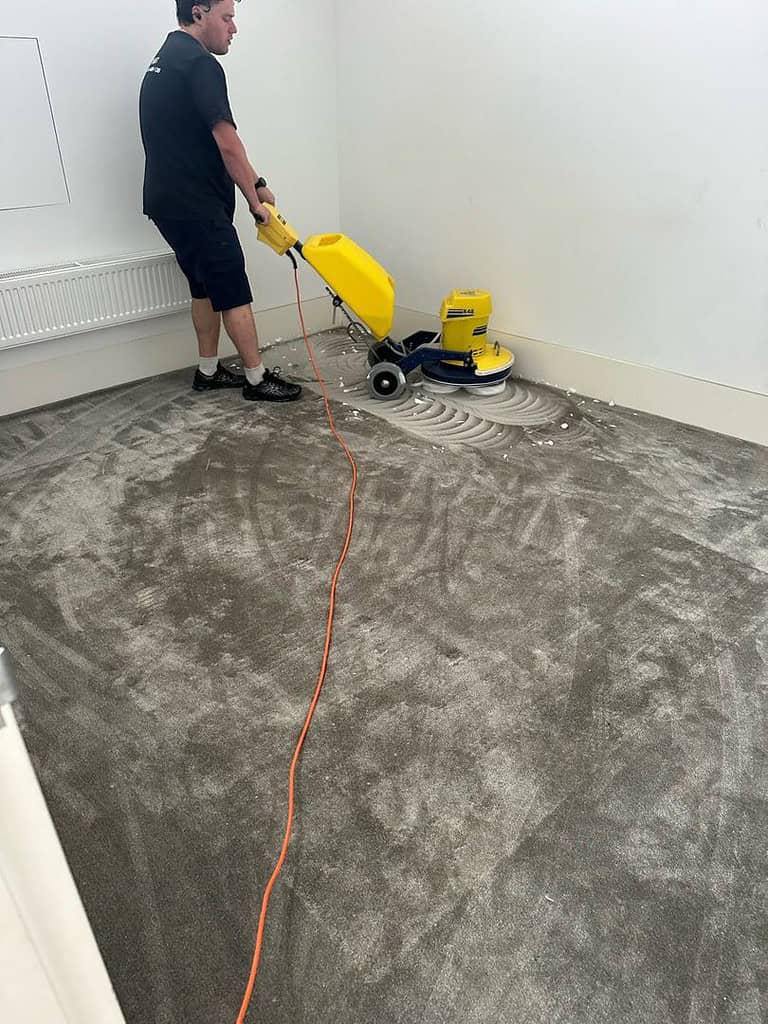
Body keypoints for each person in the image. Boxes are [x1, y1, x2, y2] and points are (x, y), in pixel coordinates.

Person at [139, 0, 301, 402]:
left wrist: (257, 180)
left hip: (167, 200)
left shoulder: (163, 61)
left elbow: (207, 142)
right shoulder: (200, 64)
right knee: (233, 289)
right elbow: (227, 142)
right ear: (199, 13)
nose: (234, 28)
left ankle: (208, 372)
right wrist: (255, 202)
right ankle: (256, 378)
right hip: (196, 204)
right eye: (227, 17)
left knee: (205, 289)